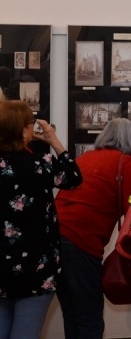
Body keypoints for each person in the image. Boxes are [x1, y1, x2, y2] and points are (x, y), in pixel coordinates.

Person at [0, 101, 82, 339]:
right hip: (37, 267)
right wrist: (53, 140)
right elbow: (74, 178)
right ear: (24, 130)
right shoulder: (40, 163)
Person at [55, 118, 131, 339]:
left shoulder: (85, 158)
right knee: (90, 316)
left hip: (55, 237)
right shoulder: (125, 162)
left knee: (72, 312)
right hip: (82, 243)